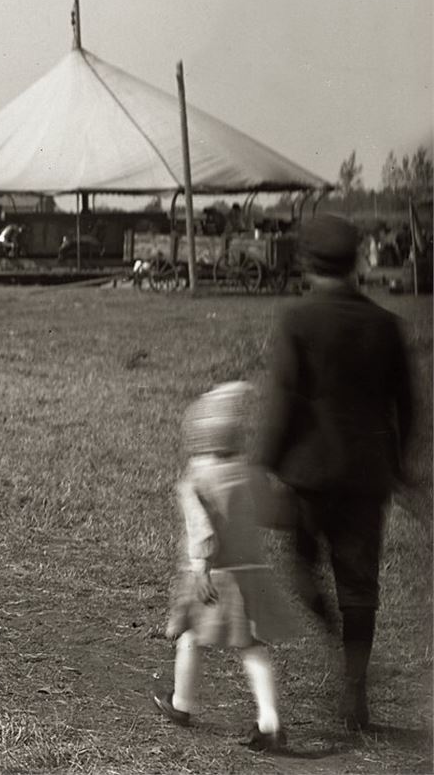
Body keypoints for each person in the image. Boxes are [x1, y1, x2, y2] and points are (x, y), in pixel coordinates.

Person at [255, 214, 417, 732]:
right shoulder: (386, 325)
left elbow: (282, 399)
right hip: (368, 479)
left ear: (305, 262)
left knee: (302, 566)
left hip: (309, 475)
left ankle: (331, 642)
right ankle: (355, 686)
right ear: (356, 263)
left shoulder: (296, 318)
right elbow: (409, 406)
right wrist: (401, 466)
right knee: (360, 585)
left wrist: (263, 463)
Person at [154, 381, 297, 752]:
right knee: (252, 647)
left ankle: (182, 703)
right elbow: (271, 512)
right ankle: (270, 722)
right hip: (250, 574)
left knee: (191, 637)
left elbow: (200, 528)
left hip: (213, 575)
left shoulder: (196, 476)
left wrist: (200, 568)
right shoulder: (248, 471)